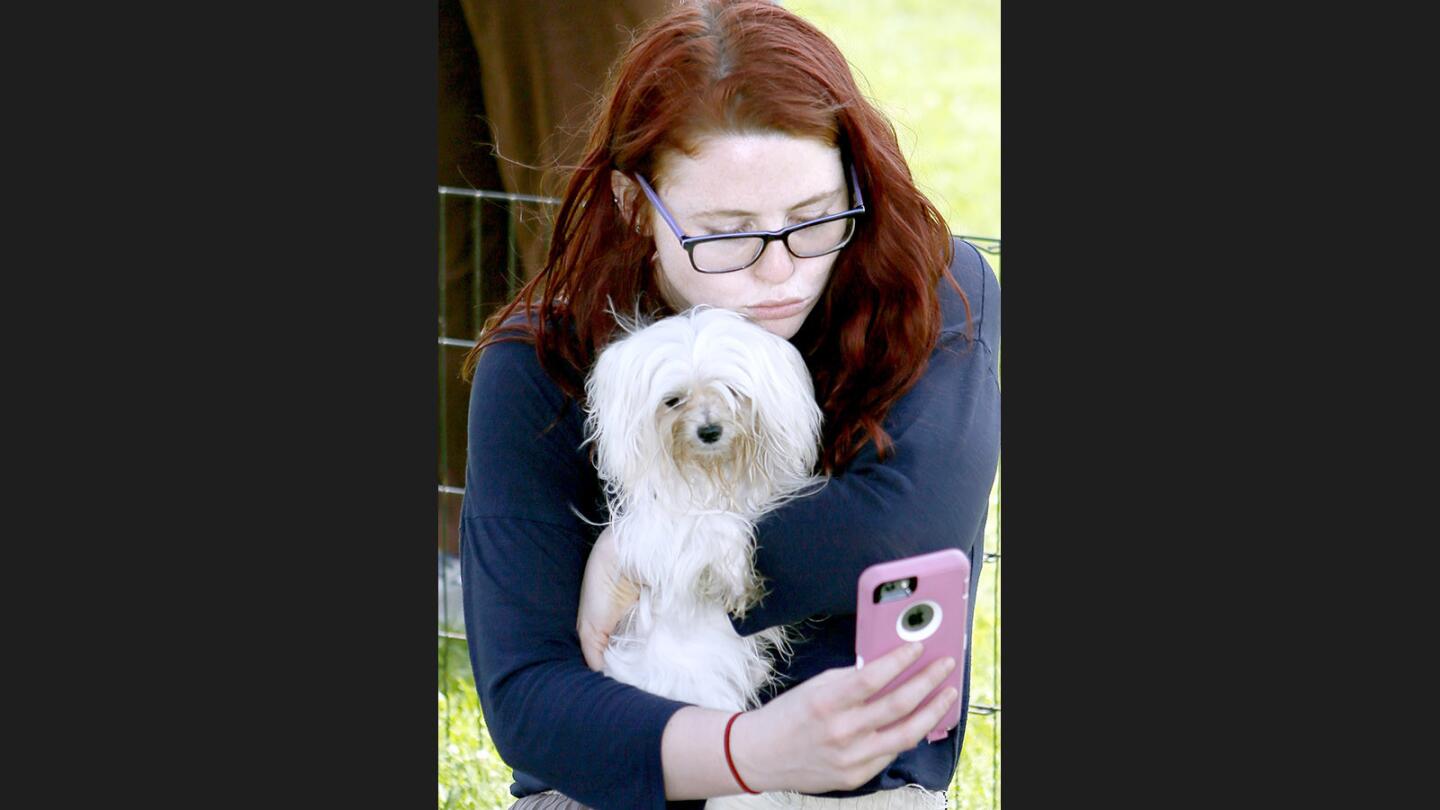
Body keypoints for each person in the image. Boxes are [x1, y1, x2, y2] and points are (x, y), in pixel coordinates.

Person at [459, 1, 1000, 808]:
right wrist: (751, 754)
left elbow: (904, 527)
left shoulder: (928, 293)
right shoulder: (543, 360)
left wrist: (648, 551)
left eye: (815, 219)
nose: (781, 271)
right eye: (727, 234)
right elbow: (528, 697)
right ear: (635, 206)